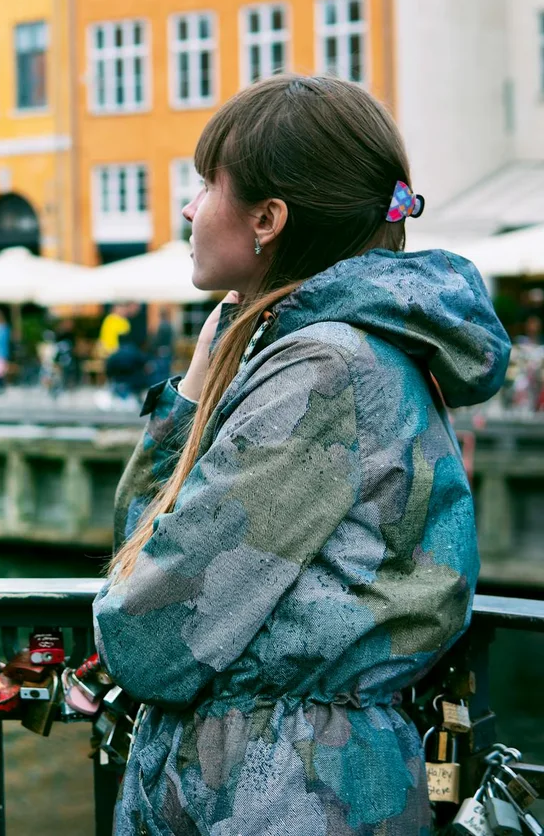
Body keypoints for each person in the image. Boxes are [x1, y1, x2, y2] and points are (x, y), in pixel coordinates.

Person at [93, 75, 511, 834]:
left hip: (280, 794)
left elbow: (149, 635)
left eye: (204, 186)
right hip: (296, 782)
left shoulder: (323, 370)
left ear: (267, 218)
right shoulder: (326, 351)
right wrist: (197, 379)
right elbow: (143, 540)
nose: (188, 210)